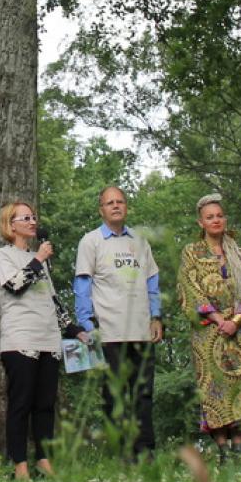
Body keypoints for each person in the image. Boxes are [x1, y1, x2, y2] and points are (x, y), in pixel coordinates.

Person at [0, 200, 81, 481]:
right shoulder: (2, 256)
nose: (33, 222)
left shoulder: (39, 259)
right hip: (20, 340)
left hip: (48, 340)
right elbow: (15, 286)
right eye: (25, 218)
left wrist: (74, 329)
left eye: (33, 217)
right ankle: (19, 466)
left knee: (45, 405)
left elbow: (52, 300)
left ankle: (44, 460)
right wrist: (39, 259)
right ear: (11, 225)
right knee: (21, 404)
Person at [177, 193, 241, 461]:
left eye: (219, 216)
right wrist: (218, 320)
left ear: (225, 220)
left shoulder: (238, 253)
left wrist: (236, 321)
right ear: (200, 223)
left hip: (238, 334)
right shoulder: (191, 252)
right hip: (208, 333)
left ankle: (239, 450)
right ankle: (223, 453)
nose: (215, 220)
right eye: (210, 217)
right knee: (215, 390)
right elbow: (188, 289)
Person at [73, 185, 161, 459]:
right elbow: (82, 285)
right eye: (109, 202)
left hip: (141, 331)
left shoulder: (140, 242)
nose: (115, 206)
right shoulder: (91, 241)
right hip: (109, 332)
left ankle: (145, 453)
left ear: (126, 206)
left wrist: (156, 317)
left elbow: (152, 282)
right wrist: (87, 324)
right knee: (115, 397)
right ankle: (123, 454)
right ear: (101, 209)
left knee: (143, 395)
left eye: (120, 201)